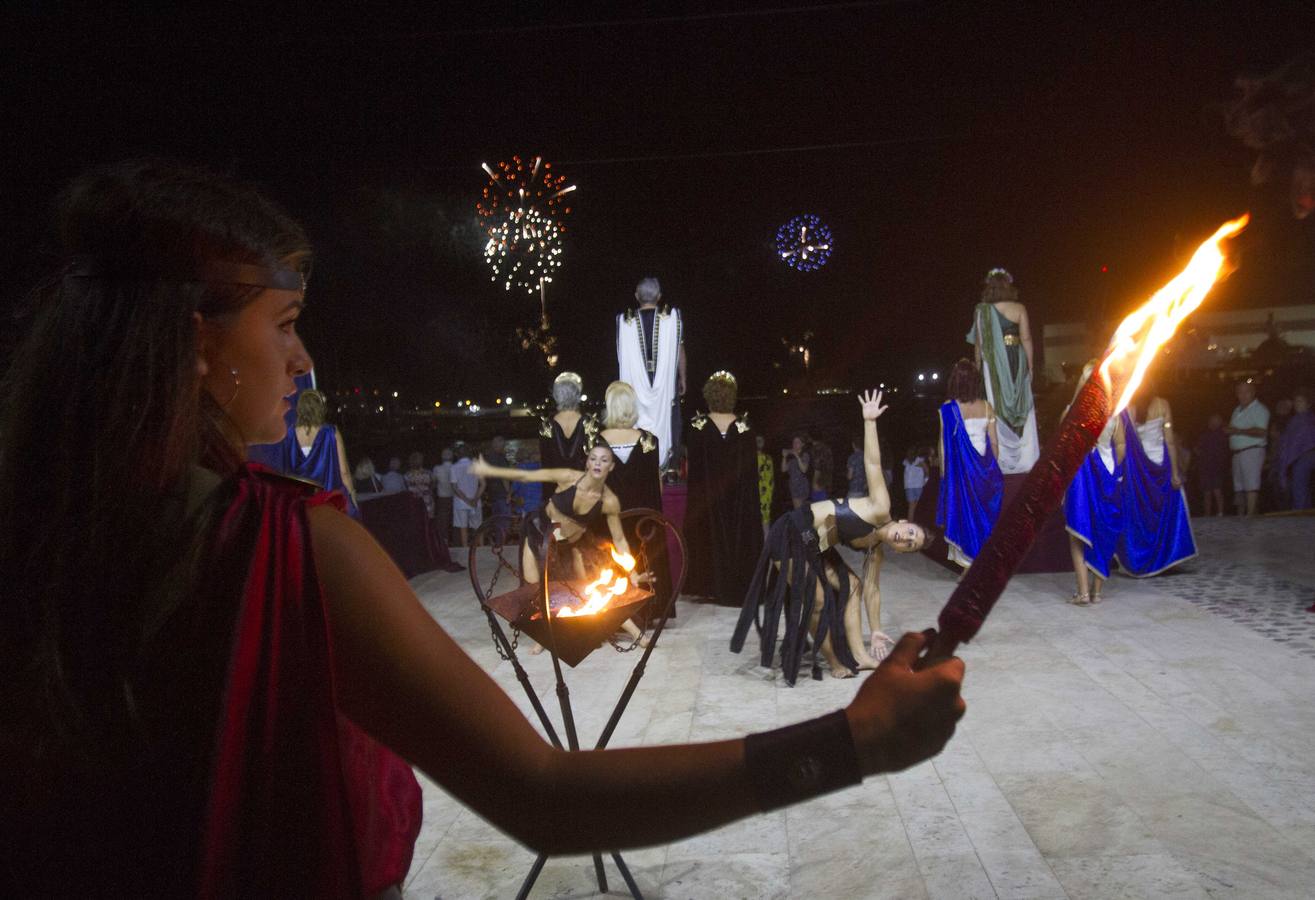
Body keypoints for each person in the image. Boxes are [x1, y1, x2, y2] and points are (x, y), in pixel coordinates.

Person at [0, 160, 966, 895]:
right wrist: (852, 743)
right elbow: (544, 798)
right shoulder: (284, 545)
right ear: (196, 344)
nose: (301, 359)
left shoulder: (43, 530)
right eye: (284, 321)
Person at [734, 389, 928, 684]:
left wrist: (875, 629)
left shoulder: (876, 551)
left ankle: (861, 657)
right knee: (819, 600)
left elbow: (873, 591)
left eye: (910, 545)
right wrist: (870, 422)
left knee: (853, 586)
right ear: (903, 522)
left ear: (902, 551)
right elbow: (873, 465)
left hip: (814, 546)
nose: (906, 539)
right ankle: (834, 659)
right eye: (910, 533)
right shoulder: (880, 508)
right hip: (790, 534)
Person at [472, 444, 649, 645]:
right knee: (535, 588)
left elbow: (619, 539)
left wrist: (633, 573)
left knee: (592, 588)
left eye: (604, 460)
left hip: (574, 544)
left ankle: (636, 634)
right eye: (593, 458)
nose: (597, 463)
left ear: (612, 466)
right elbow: (528, 476)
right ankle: (543, 638)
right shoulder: (569, 477)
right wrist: (489, 470)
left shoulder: (609, 500)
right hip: (540, 533)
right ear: (588, 462)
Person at [684, 371, 766, 607]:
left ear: (709, 395)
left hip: (708, 501)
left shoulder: (697, 426)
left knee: (709, 536)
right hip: (740, 501)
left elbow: (694, 470)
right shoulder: (745, 426)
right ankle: (741, 583)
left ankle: (709, 585)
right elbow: (751, 472)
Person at [597, 380, 674, 622]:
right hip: (644, 523)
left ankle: (613, 613)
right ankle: (649, 608)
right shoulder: (649, 442)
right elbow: (655, 485)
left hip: (609, 523)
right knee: (646, 558)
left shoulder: (595, 443)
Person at [1062, 362, 1124, 606]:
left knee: (1077, 533)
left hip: (1080, 477)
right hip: (1106, 475)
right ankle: (1097, 593)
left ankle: (1083, 592)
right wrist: (1114, 471)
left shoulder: (1072, 411)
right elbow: (1121, 446)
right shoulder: (1114, 412)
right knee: (1103, 531)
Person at [1117, 390, 1196, 576]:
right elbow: (1169, 441)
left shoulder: (1128, 407)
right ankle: (1165, 556)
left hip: (1139, 468)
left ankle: (1141, 556)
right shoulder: (1163, 404)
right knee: (1163, 512)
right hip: (1161, 463)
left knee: (1141, 513)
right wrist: (1175, 472)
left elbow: (1123, 441)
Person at [967, 268, 1038, 474]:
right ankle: (1026, 458)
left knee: (996, 406)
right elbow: (1026, 339)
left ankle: (1003, 459)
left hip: (994, 365)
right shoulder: (1019, 308)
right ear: (1009, 286)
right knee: (1021, 406)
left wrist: (979, 368)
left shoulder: (982, 311)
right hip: (1016, 359)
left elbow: (978, 345)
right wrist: (1030, 367)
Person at [936, 359, 1003, 571]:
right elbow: (994, 443)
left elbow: (943, 447)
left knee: (966, 518)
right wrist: (990, 471)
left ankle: (969, 568)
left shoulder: (948, 409)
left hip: (962, 474)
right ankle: (978, 567)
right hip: (985, 472)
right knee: (983, 518)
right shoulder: (987, 407)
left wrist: (945, 477)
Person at [616, 277, 686, 467]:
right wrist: (683, 378)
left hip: (634, 389)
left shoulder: (624, 322)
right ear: (660, 296)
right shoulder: (672, 319)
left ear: (637, 296)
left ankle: (639, 466)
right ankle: (669, 470)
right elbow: (679, 349)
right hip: (666, 388)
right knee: (670, 424)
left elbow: (621, 356)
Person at [284, 388, 359, 515]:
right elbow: (344, 471)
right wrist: (352, 494)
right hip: (327, 499)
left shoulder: (289, 433)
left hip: (302, 502)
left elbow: (286, 468)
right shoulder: (331, 432)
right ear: (320, 407)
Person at [1226, 380, 1269, 517]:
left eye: (1246, 392)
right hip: (1237, 453)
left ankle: (1250, 517)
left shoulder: (1260, 409)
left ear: (1253, 392)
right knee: (1240, 487)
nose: (1243, 395)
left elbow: (1261, 431)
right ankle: (1241, 516)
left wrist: (1237, 431)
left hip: (1252, 450)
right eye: (1240, 392)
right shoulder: (1236, 410)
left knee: (1251, 485)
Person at [539, 371, 598, 470]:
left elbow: (546, 462)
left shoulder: (546, 425)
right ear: (577, 393)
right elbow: (594, 459)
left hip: (555, 482)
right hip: (584, 482)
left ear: (556, 395)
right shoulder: (589, 422)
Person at [1276, 388, 1315, 510]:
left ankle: (1300, 511)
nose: (1297, 404)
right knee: (1300, 484)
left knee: (1299, 483)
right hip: (1298, 456)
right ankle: (1304, 510)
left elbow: (1304, 439)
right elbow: (1287, 441)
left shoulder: (1309, 419)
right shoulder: (1294, 420)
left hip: (1306, 455)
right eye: (1296, 401)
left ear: (1308, 403)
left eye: (1301, 401)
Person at [1193, 413, 1229, 517]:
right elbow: (1196, 449)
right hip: (1205, 467)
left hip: (1217, 467)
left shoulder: (1223, 433)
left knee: (1217, 490)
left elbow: (1224, 450)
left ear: (1220, 422)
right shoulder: (1204, 435)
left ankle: (1220, 513)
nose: (1213, 422)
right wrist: (1199, 453)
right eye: (1212, 420)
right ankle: (1207, 515)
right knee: (1206, 492)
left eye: (1216, 420)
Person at [451, 444, 483, 547]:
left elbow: (455, 487)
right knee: (478, 526)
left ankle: (465, 548)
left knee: (463, 527)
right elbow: (483, 484)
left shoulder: (454, 467)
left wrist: (466, 500)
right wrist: (475, 499)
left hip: (461, 503)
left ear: (457, 455)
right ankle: (482, 547)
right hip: (475, 502)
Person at [485, 435, 512, 543]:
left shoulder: (488, 458)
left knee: (496, 520)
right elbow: (504, 477)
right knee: (505, 520)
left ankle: (497, 542)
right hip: (502, 494)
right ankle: (503, 543)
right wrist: (509, 493)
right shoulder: (500, 458)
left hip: (492, 494)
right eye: (503, 445)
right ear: (500, 446)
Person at [511, 444, 545, 517]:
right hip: (539, 502)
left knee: (524, 522)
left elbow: (515, 486)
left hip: (525, 503)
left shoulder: (520, 468)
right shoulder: (540, 467)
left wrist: (509, 495)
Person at [782, 434, 812, 509]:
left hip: (801, 487)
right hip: (794, 487)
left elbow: (804, 469)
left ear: (802, 444)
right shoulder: (791, 457)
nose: (794, 444)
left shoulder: (805, 455)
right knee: (801, 511)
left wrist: (797, 456)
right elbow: (783, 469)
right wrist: (784, 457)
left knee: (798, 511)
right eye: (793, 442)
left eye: (797, 442)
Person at [432, 446, 455, 542]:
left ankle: (443, 542)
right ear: (452, 457)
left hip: (442, 498)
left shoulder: (437, 468)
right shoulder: (455, 467)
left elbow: (433, 483)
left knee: (443, 522)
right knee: (455, 521)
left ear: (442, 457)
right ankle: (456, 541)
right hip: (456, 497)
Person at [403, 451, 434, 519]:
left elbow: (406, 488)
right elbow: (432, 486)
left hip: (413, 502)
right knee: (427, 522)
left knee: (416, 522)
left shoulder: (407, 475)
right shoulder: (428, 473)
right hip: (426, 501)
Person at [902, 446, 928, 521]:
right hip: (919, 486)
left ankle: (911, 524)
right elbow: (927, 471)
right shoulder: (919, 460)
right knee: (919, 507)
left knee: (911, 507)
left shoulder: (906, 461)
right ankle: (919, 524)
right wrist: (926, 481)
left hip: (909, 487)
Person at [757, 434, 775, 532]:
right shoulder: (769, 458)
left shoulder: (753, 459)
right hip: (767, 495)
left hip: (761, 495)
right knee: (765, 521)